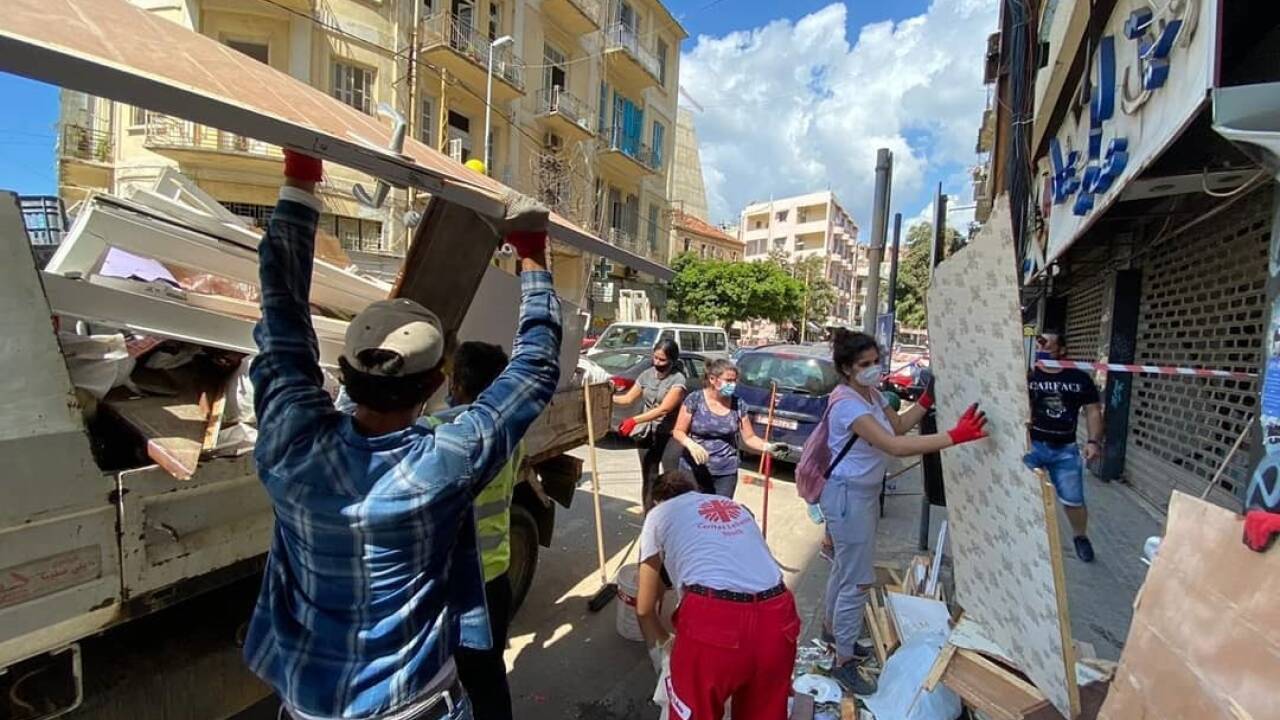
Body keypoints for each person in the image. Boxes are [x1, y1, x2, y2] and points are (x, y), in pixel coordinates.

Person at [244, 150, 561, 720]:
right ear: (437, 383)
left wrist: (300, 181)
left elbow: (281, 322)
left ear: (345, 374)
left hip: (307, 706)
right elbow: (533, 369)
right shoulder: (444, 460)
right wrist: (532, 255)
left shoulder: (290, 444)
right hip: (415, 708)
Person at [821, 330, 987, 695]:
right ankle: (842, 661)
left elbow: (898, 424)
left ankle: (834, 635)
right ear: (847, 369)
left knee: (844, 569)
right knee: (858, 579)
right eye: (864, 365)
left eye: (875, 362)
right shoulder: (848, 403)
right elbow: (894, 445)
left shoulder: (871, 394)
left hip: (859, 496)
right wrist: (954, 437)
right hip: (848, 497)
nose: (873, 369)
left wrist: (927, 398)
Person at [634, 471, 799, 720]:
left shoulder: (659, 515)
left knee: (695, 711)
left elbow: (644, 608)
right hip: (778, 613)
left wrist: (663, 644)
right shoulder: (734, 506)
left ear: (657, 501)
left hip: (713, 619)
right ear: (695, 491)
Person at [426, 342, 523, 720]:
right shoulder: (510, 432)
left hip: (449, 581)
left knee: (439, 681)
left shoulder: (434, 430)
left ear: (457, 382)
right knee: (487, 675)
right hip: (494, 576)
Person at [1024, 331, 1104, 562]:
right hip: (1031, 445)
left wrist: (1093, 441)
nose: (1044, 345)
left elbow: (1092, 411)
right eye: (1041, 342)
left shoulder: (1078, 378)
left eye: (1050, 342)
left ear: (1062, 350)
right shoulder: (1028, 376)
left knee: (1073, 499)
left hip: (1064, 449)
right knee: (1020, 492)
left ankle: (1080, 537)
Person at [671, 359, 783, 497]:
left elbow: (749, 437)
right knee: (693, 512)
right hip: (693, 469)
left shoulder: (738, 405)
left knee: (720, 513)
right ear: (713, 379)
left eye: (735, 381)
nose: (733, 385)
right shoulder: (695, 400)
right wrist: (690, 444)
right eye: (728, 380)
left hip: (725, 471)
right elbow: (678, 431)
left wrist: (768, 447)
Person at [613, 338, 687, 509]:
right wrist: (606, 396)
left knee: (671, 479)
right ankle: (650, 517)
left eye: (662, 360)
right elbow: (628, 398)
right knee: (649, 478)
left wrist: (634, 420)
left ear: (672, 360)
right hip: (648, 434)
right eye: (655, 358)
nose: (657, 362)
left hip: (669, 435)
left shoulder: (678, 380)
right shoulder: (646, 375)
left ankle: (672, 514)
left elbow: (663, 409)